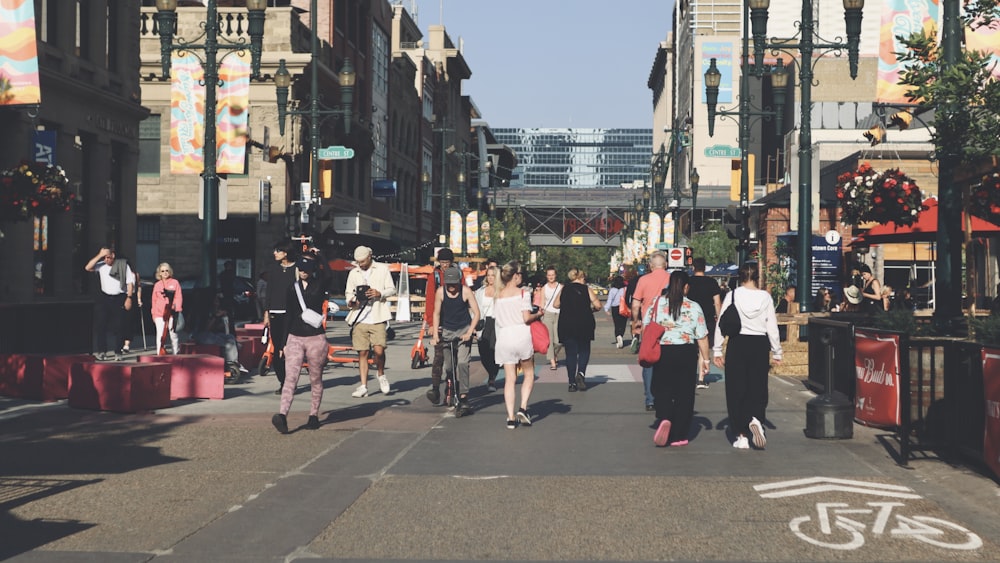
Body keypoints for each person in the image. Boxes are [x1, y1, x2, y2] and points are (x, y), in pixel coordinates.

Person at [713, 262, 782, 450]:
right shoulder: (765, 297)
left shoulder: (733, 295)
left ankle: (741, 435)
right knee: (758, 386)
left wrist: (717, 349)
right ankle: (756, 419)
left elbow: (722, 322)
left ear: (741, 276)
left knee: (736, 389)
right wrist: (777, 351)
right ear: (757, 277)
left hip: (738, 343)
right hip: (759, 344)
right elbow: (772, 326)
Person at [646, 270, 710, 447]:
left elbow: (646, 327)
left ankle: (666, 416)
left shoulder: (656, 303)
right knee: (685, 393)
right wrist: (706, 360)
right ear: (686, 287)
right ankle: (679, 434)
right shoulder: (694, 306)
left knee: (662, 387)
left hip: (663, 350)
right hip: (686, 352)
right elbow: (702, 336)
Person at [271, 257, 329, 434]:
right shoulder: (292, 288)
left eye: (308, 268)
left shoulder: (319, 285)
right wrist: (282, 344)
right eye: (301, 268)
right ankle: (282, 415)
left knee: (315, 378)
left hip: (315, 337)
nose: (304, 271)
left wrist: (321, 257)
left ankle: (313, 415)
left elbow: (329, 275)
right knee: (290, 378)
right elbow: (288, 314)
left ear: (313, 269)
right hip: (294, 336)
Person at [493, 261, 542, 429]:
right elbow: (526, 318)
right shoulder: (523, 293)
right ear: (515, 276)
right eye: (520, 274)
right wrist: (538, 314)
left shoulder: (497, 295)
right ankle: (523, 407)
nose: (522, 276)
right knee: (528, 373)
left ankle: (510, 417)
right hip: (521, 335)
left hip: (504, 336)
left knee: (510, 379)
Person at [345, 245, 396, 398]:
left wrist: (379, 293)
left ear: (370, 256)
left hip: (378, 316)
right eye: (358, 262)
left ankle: (381, 374)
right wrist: (351, 301)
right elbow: (348, 292)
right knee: (363, 352)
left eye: (362, 261)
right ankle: (363, 386)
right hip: (359, 317)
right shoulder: (354, 273)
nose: (360, 264)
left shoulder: (382, 269)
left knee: (379, 350)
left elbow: (392, 289)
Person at [431, 266, 480, 415]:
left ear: (459, 282)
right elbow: (436, 313)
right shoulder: (440, 292)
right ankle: (452, 389)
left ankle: (464, 397)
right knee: (449, 366)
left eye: (454, 284)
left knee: (463, 363)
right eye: (449, 284)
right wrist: (435, 335)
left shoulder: (466, 291)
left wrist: (470, 332)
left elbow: (476, 313)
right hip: (447, 331)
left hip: (463, 329)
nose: (451, 288)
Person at [630, 251, 671, 411]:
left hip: (649, 327)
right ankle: (665, 395)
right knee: (667, 362)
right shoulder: (672, 279)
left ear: (650, 266)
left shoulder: (643, 280)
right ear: (666, 264)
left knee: (649, 363)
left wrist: (635, 322)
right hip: (669, 326)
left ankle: (650, 399)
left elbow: (635, 305)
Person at [84, 246, 136, 361]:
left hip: (119, 297)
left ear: (113, 256)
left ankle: (118, 351)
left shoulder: (123, 265)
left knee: (119, 325)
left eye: (108, 257)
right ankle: (102, 351)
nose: (106, 260)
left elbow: (130, 283)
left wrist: (129, 297)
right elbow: (87, 267)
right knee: (101, 325)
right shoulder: (101, 265)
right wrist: (99, 255)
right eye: (105, 258)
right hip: (105, 297)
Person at [555, 268, 601, 392]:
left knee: (570, 353)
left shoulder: (564, 289)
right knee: (584, 349)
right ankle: (581, 373)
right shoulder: (587, 289)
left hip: (567, 323)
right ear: (581, 277)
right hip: (584, 323)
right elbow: (598, 305)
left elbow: (555, 304)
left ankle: (571, 383)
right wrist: (591, 309)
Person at [264, 242, 299, 395]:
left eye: (278, 251)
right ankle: (283, 382)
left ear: (286, 253)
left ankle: (291, 382)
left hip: (292, 314)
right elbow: (269, 291)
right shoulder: (273, 269)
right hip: (274, 312)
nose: (275, 253)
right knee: (277, 348)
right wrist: (266, 311)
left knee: (290, 349)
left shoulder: (297, 269)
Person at [424, 248, 454, 405]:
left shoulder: (458, 275)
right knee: (438, 357)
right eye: (442, 263)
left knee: (452, 358)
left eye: (447, 263)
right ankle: (435, 389)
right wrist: (430, 323)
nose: (444, 266)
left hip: (454, 321)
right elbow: (429, 301)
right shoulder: (433, 276)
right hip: (439, 322)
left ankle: (451, 388)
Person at [192, 293, 245, 380]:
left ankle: (232, 363)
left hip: (211, 334)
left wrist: (223, 319)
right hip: (201, 335)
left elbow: (215, 328)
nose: (217, 303)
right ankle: (228, 364)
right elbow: (206, 328)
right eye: (216, 300)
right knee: (225, 343)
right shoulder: (204, 312)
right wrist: (216, 316)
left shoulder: (216, 309)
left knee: (230, 337)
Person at [686, 258, 721, 388]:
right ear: (705, 268)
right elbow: (717, 302)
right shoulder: (712, 282)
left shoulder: (688, 282)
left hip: (689, 318)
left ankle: (690, 376)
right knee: (703, 347)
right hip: (707, 318)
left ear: (693, 268)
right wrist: (719, 317)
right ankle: (701, 378)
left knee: (690, 348)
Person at [474, 264, 501, 391]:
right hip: (483, 323)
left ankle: (492, 378)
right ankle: (491, 372)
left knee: (493, 350)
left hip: (496, 322)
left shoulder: (501, 291)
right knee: (483, 352)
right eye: (488, 275)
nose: (490, 278)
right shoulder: (480, 291)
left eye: (493, 276)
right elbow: (474, 309)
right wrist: (473, 325)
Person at [151, 262, 183, 355]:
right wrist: (153, 313)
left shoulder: (175, 282)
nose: (165, 272)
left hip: (172, 312)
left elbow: (179, 297)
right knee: (160, 335)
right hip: (159, 314)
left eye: (167, 270)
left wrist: (176, 308)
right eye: (162, 271)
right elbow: (154, 300)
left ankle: (175, 353)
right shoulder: (157, 285)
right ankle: (159, 354)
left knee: (173, 335)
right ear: (159, 273)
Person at [536, 266, 563, 371]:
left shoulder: (561, 287)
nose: (551, 277)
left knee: (559, 341)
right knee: (550, 339)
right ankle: (552, 361)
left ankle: (554, 354)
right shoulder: (544, 288)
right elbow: (542, 302)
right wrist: (540, 313)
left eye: (552, 275)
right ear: (546, 276)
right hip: (547, 314)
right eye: (549, 275)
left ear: (555, 275)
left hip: (559, 314)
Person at [603, 275, 628, 348]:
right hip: (623, 307)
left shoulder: (612, 290)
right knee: (623, 324)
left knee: (616, 324)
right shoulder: (625, 289)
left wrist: (606, 309)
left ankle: (618, 336)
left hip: (615, 308)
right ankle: (621, 335)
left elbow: (609, 300)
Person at [218, 259, 236, 327]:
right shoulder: (229, 274)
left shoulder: (223, 274)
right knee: (229, 310)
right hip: (228, 293)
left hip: (226, 293)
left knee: (227, 309)